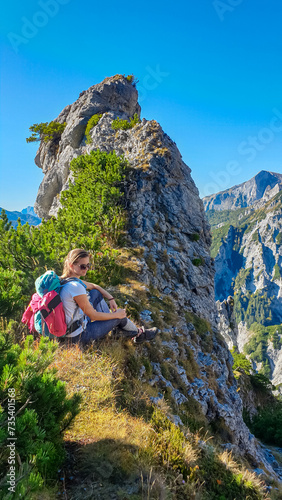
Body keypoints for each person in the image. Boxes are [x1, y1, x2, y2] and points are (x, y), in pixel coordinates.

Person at [59, 248, 158, 345]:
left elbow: (94, 286)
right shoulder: (76, 287)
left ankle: (116, 327)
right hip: (79, 336)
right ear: (71, 266)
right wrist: (116, 315)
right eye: (83, 266)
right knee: (120, 316)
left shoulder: (67, 280)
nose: (86, 269)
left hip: (72, 326)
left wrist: (111, 298)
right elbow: (92, 315)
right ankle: (139, 334)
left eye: (88, 265)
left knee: (95, 293)